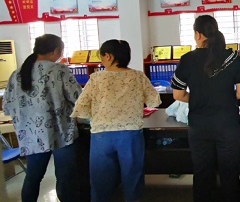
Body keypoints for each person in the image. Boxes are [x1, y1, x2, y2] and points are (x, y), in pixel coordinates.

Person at [170, 15, 240, 202]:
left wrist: (199, 99)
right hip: (228, 125)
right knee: (230, 172)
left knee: (202, 173)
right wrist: (223, 98)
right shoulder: (232, 57)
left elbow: (178, 95)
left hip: (199, 126)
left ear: (198, 34)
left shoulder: (187, 59)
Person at [71, 39, 160, 202]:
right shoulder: (138, 76)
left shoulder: (96, 79)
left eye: (101, 56)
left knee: (100, 178)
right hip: (130, 134)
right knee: (132, 175)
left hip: (101, 135)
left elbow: (81, 108)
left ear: (108, 56)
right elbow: (154, 101)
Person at [2, 34, 82, 202]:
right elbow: (78, 99)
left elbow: (7, 107)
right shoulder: (59, 70)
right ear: (56, 50)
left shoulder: (16, 73)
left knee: (32, 177)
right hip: (62, 134)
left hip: (31, 136)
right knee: (66, 178)